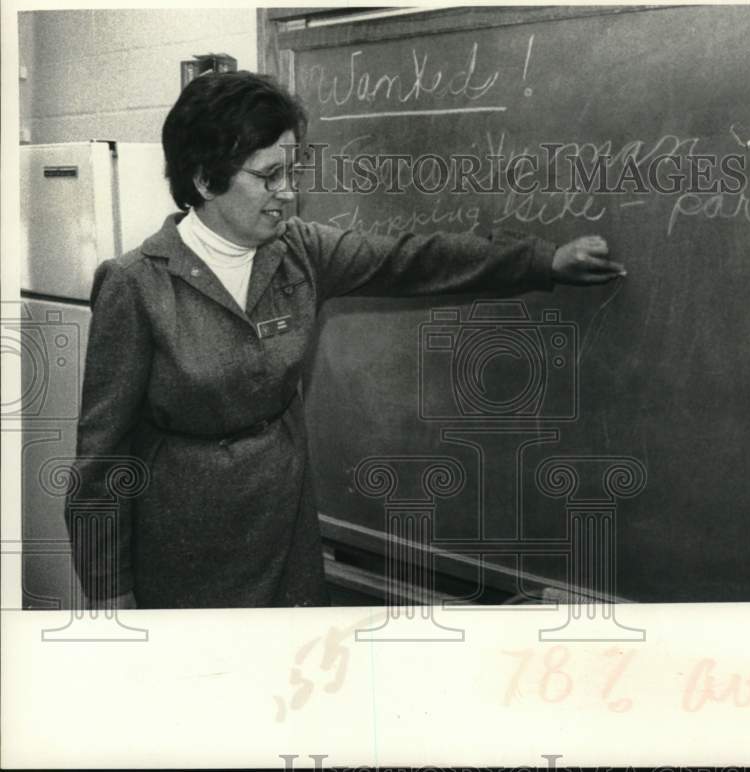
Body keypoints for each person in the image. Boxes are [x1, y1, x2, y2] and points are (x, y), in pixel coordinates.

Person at [68, 71, 625, 610]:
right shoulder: (135, 283)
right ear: (206, 179)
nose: (289, 193)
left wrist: (542, 261)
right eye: (268, 176)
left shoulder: (299, 251)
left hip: (285, 531)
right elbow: (101, 458)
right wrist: (107, 587)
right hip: (185, 547)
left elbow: (413, 259)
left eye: (294, 170)